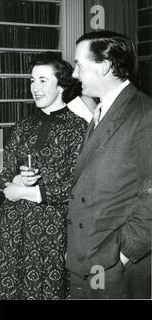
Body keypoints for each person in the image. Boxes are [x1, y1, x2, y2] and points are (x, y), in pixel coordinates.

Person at [0, 53, 87, 300]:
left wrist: (26, 191)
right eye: (32, 80)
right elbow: (2, 175)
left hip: (53, 230)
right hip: (12, 229)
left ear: (62, 86)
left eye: (43, 81)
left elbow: (76, 186)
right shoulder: (23, 125)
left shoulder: (78, 128)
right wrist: (15, 181)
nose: (34, 87)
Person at [67, 31, 152, 299]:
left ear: (104, 67)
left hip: (113, 264)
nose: (74, 74)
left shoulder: (143, 113)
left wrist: (123, 254)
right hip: (89, 255)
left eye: (79, 65)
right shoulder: (105, 109)